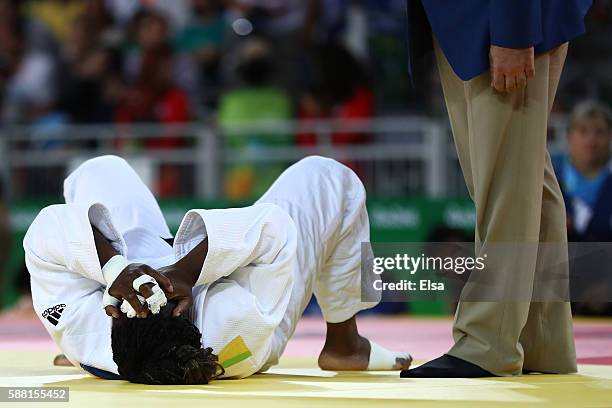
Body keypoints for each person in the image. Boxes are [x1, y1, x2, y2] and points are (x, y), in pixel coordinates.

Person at [24, 155, 411, 384]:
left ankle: (94, 356)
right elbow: (273, 230)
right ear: (184, 309)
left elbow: (47, 231)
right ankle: (345, 345)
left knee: (101, 168)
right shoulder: (237, 318)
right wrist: (186, 273)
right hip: (236, 306)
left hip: (111, 341)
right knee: (327, 176)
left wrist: (114, 267)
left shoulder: (82, 326)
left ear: (110, 312)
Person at [401, 0, 592, 378]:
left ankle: (487, 343)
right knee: (525, 179)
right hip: (487, 22)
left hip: (497, 23)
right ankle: (541, 340)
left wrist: (513, 32)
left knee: (507, 186)